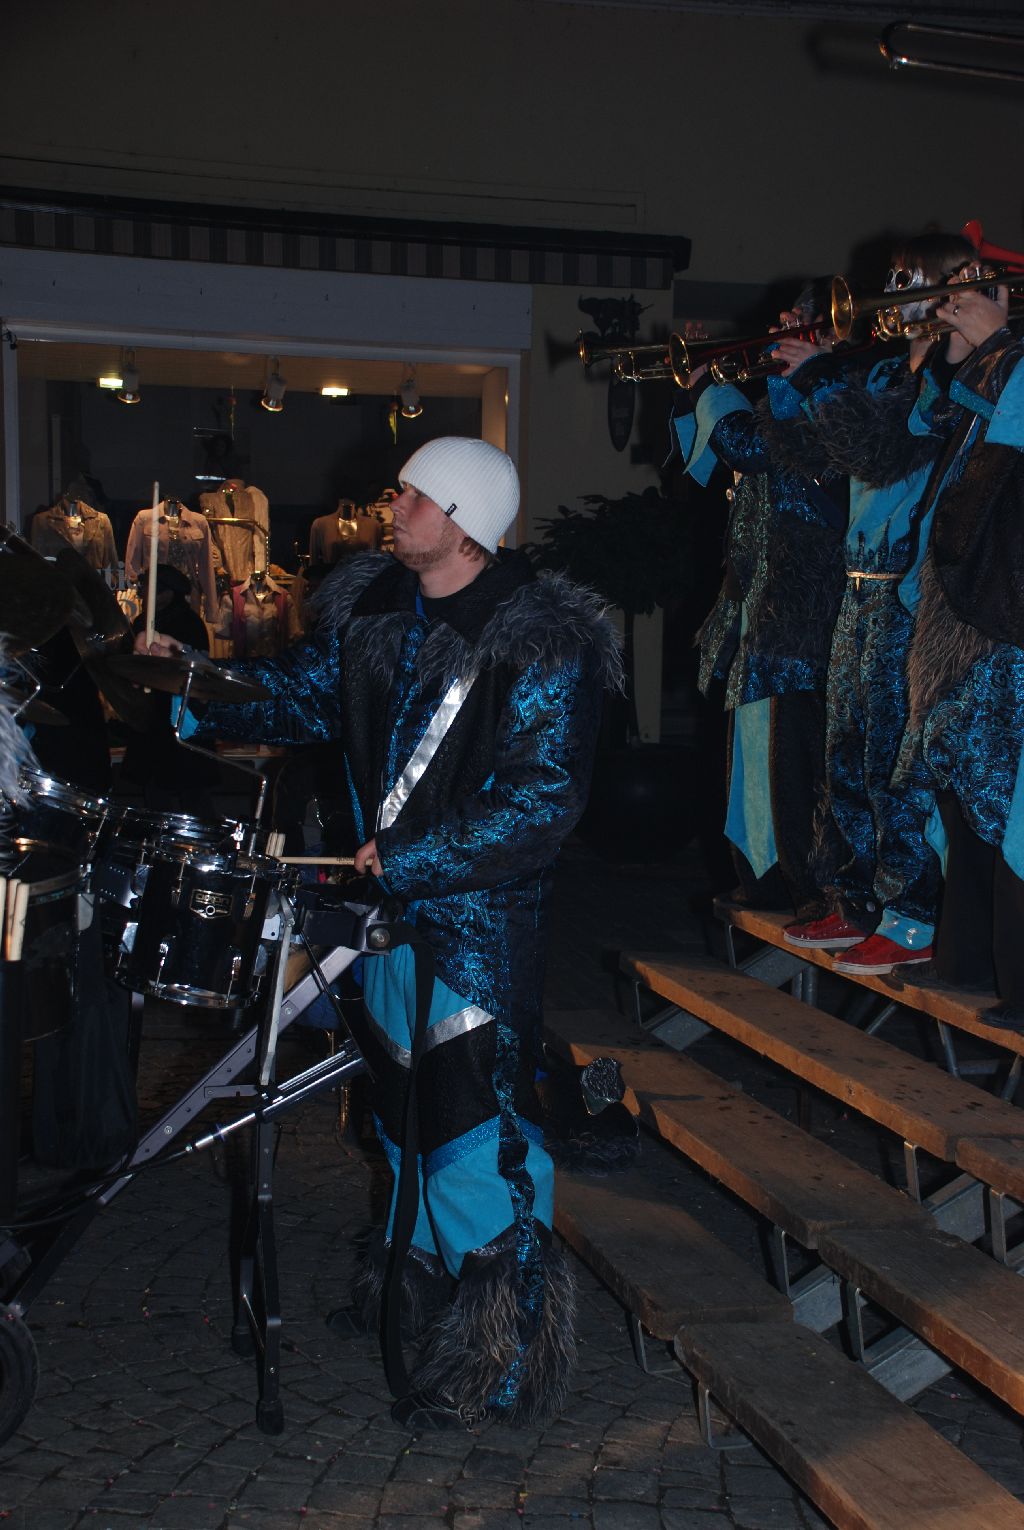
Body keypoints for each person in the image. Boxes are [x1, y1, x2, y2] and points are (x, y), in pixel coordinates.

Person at [136, 437, 620, 1429]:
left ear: (468, 521)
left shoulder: (542, 643)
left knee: (474, 1138)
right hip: (388, 920)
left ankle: (500, 1353)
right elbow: (297, 694)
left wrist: (410, 862)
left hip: (476, 928)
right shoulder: (376, 614)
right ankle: (407, 1295)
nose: (390, 507)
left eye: (414, 496)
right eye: (399, 491)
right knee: (400, 1121)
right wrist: (186, 679)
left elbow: (540, 802)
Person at [770, 233, 977, 977]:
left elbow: (881, 451)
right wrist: (795, 384)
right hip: (858, 585)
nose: (892, 288)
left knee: (900, 762)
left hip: (911, 591)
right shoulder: (888, 369)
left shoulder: (956, 380)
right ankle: (854, 897)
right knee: (847, 752)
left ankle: (913, 913)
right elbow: (812, 460)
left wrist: (826, 377)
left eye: (907, 278)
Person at [672, 282, 846, 921]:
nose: (789, 331)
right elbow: (717, 466)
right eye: (789, 320)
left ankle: (803, 885)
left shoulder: (838, 394)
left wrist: (708, 393)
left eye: (805, 322)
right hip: (761, 604)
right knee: (749, 756)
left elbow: (751, 446)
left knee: (790, 759)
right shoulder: (789, 395)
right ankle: (764, 878)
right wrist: (699, 395)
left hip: (805, 611)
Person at [897, 282, 1024, 1024]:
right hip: (967, 609)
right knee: (964, 785)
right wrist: (951, 354)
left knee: (997, 796)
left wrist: (1000, 345)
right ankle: (973, 960)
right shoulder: (995, 363)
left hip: (1000, 619)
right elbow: (935, 423)